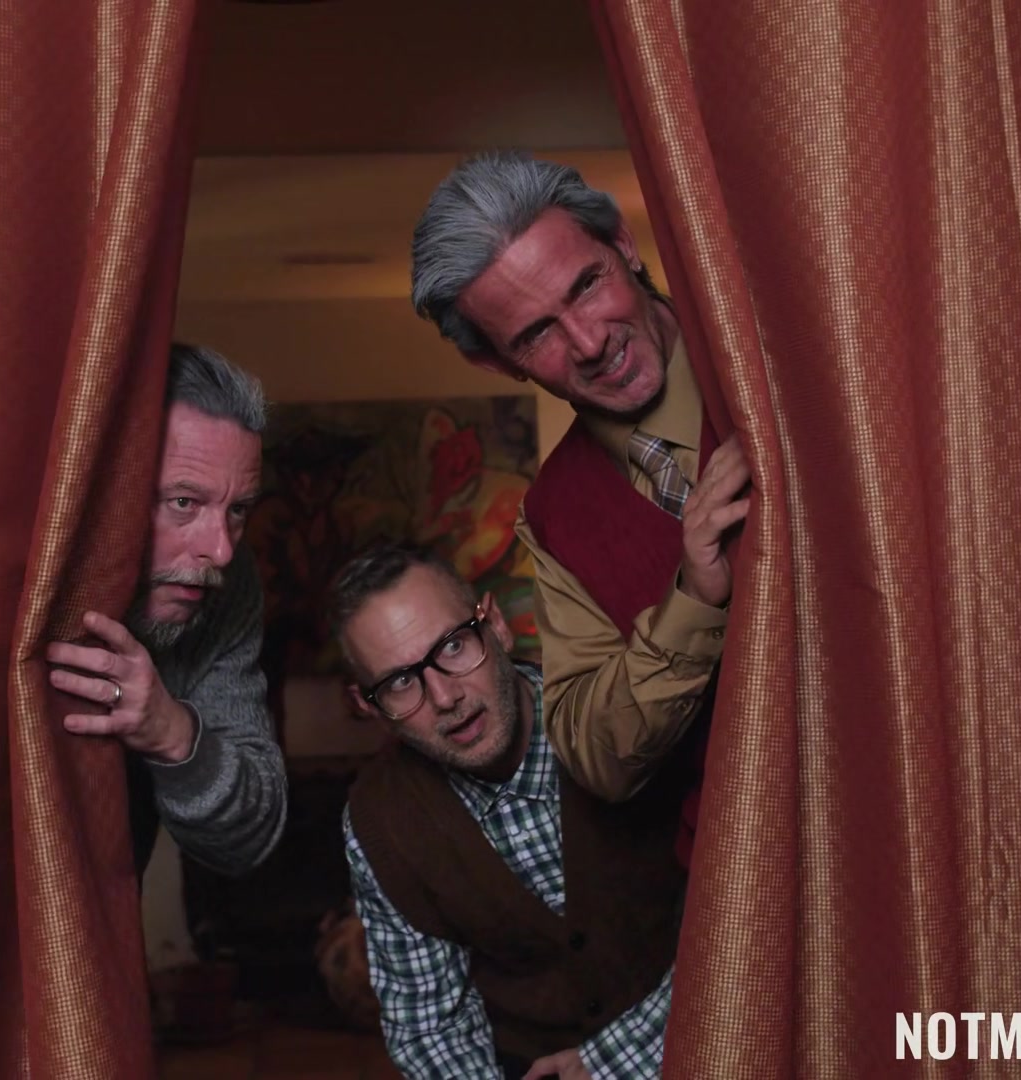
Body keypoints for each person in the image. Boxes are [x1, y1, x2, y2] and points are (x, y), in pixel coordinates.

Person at [410, 152, 750, 857]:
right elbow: (595, 757)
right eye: (537, 334)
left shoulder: (779, 358)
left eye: (587, 285)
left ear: (624, 244)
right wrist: (694, 599)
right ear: (497, 363)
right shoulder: (553, 515)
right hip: (750, 862)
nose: (591, 343)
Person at [336, 545, 682, 1080]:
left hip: (706, 1043)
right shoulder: (381, 821)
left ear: (496, 625)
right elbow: (429, 1024)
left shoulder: (624, 717)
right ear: (369, 707)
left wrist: (608, 1065)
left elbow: (744, 916)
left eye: (453, 646)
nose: (444, 696)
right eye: (400, 682)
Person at [45, 343, 286, 877]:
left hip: (106, 899)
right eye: (183, 502)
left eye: (238, 510)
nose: (219, 550)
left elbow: (255, 834)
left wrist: (172, 734)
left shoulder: (225, 585)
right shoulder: (28, 565)